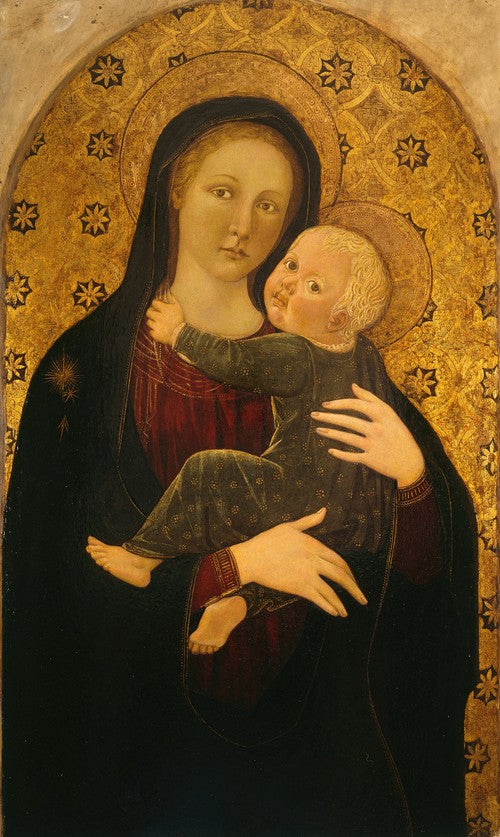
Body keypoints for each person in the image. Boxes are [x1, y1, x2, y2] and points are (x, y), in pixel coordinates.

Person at [3, 94, 477, 837]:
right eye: (223, 191)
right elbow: (45, 596)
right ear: (174, 188)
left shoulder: (340, 368)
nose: (244, 226)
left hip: (313, 757)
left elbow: (422, 587)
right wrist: (233, 567)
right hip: (144, 767)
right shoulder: (86, 370)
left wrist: (414, 480)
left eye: (269, 206)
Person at [86, 224, 397, 655]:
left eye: (312, 286)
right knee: (297, 561)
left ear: (337, 320)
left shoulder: (297, 352)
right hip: (357, 518)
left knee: (207, 470)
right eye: (291, 264)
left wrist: (179, 333)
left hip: (297, 495)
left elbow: (234, 360)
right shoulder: (366, 355)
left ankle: (142, 558)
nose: (287, 283)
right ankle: (236, 604)